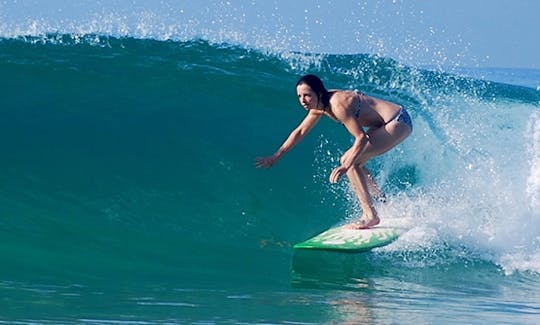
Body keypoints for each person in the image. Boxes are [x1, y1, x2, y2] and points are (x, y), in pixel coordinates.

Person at [256, 74, 413, 229]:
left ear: (318, 93)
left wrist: (346, 167)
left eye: (307, 95)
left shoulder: (337, 104)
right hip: (385, 123)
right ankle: (381, 200)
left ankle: (370, 216)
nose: (303, 100)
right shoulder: (319, 106)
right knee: (351, 159)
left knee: (351, 162)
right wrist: (277, 155)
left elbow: (361, 138)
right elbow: (300, 131)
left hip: (398, 121)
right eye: (299, 96)